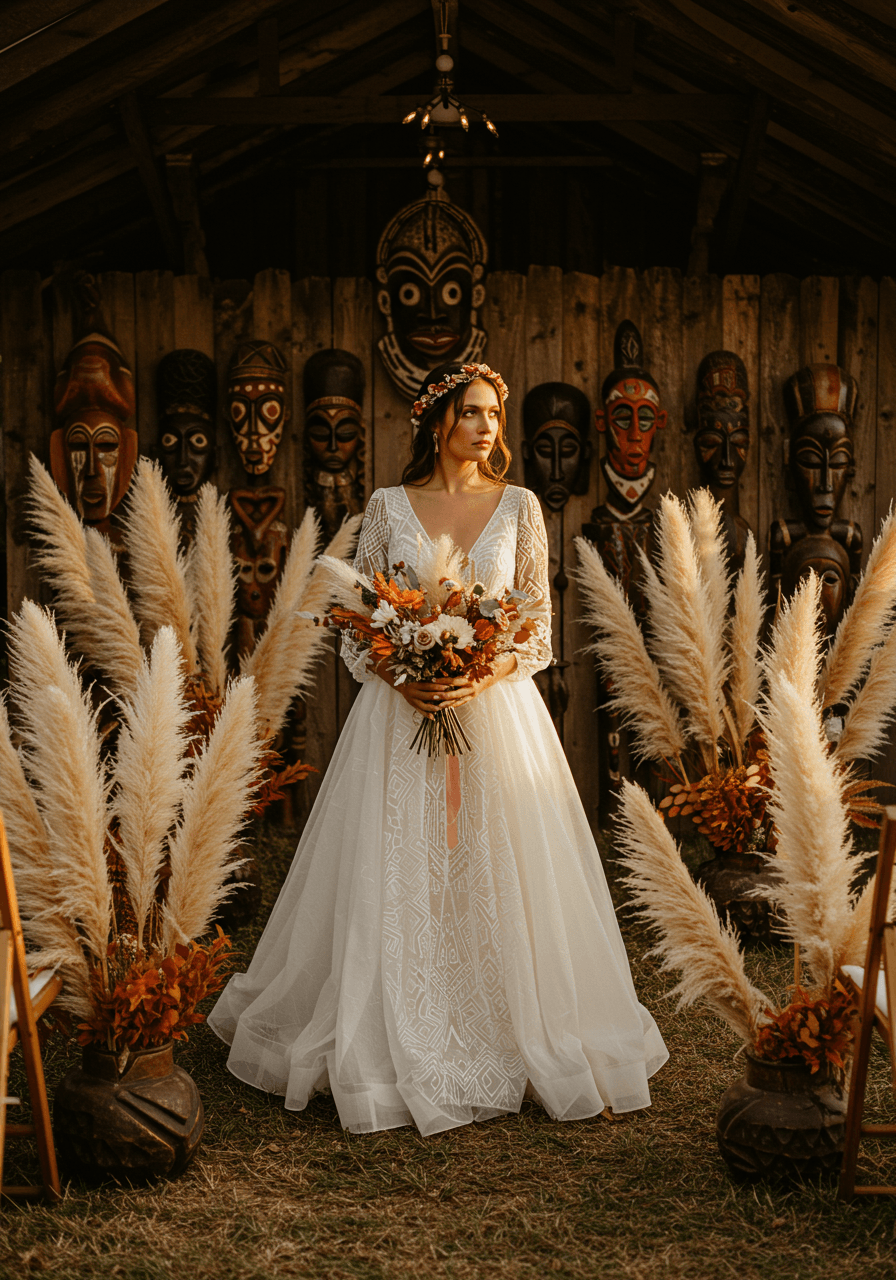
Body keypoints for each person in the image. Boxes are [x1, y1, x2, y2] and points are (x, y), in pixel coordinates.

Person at [209, 361, 668, 1136]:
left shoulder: (520, 507)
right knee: (399, 857)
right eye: (474, 414)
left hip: (495, 712)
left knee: (497, 860)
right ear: (437, 422)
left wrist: (470, 674)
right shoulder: (388, 508)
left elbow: (536, 631)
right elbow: (362, 630)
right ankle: (398, 1015)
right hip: (400, 713)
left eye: (495, 414)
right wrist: (406, 673)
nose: (490, 427)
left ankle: (507, 1017)